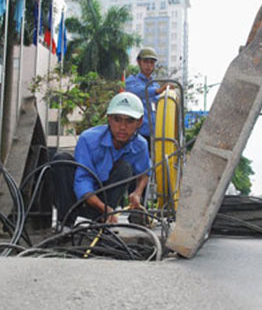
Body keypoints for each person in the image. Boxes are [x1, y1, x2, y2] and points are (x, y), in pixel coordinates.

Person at [51, 92, 152, 227]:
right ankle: (65, 224)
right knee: (61, 160)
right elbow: (83, 181)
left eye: (129, 121)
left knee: (125, 167)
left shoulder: (140, 144)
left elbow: (144, 172)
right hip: (78, 198)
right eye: (117, 119)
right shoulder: (88, 139)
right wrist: (101, 206)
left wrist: (137, 193)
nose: (122, 127)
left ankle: (103, 221)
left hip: (106, 201)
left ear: (139, 122)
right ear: (109, 119)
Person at [125, 47, 174, 145]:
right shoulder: (132, 81)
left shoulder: (155, 85)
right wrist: (158, 91)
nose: (148, 65)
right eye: (146, 62)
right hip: (137, 134)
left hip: (155, 134)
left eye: (151, 62)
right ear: (139, 62)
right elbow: (138, 91)